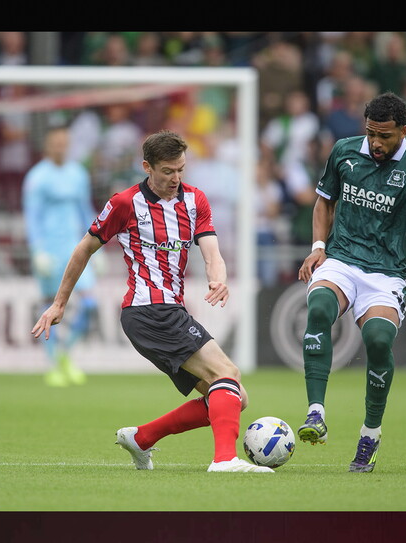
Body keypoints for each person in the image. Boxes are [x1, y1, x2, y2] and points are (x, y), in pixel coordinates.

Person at [31, 129, 273, 474]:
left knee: (235, 397)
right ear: (147, 167)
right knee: (227, 374)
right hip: (148, 310)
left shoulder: (196, 201)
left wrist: (217, 276)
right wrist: (59, 303)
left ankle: (142, 438)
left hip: (168, 310)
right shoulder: (124, 203)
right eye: (167, 171)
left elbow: (211, 250)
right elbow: (84, 248)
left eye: (181, 170)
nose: (176, 178)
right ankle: (224, 460)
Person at [296, 91, 406, 473]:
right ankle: (315, 413)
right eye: (370, 133)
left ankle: (370, 433)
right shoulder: (344, 151)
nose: (376, 143)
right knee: (318, 307)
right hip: (342, 259)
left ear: (403, 130)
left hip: (386, 273)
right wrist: (319, 245)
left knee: (379, 341)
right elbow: (324, 201)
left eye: (384, 136)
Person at [23, 126, 99, 387]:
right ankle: (53, 363)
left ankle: (65, 354)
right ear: (47, 145)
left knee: (90, 304)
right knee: (49, 307)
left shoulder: (77, 174)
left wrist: (97, 244)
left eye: (64, 143)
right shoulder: (37, 177)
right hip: (49, 250)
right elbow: (32, 217)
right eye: (56, 143)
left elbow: (84, 208)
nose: (61, 147)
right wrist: (37, 251)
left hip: (75, 248)